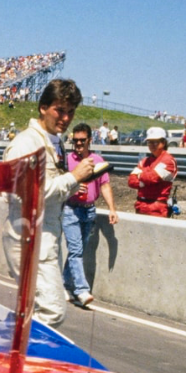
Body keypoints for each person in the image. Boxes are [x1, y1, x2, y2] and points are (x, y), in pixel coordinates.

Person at [2, 79, 96, 326]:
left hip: (45, 240)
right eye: (60, 110)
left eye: (71, 112)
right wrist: (73, 178)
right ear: (43, 107)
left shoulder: (54, 141)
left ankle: (13, 352)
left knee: (31, 312)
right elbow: (20, 194)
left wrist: (75, 183)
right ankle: (21, 358)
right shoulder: (26, 144)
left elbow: (51, 189)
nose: (66, 118)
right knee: (52, 310)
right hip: (28, 240)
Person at [62, 123, 117, 307]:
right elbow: (59, 183)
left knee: (77, 251)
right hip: (70, 208)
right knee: (76, 250)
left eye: (82, 140)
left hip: (89, 210)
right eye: (75, 140)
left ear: (89, 140)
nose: (78, 144)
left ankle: (64, 284)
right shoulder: (67, 160)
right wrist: (73, 186)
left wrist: (112, 208)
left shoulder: (97, 159)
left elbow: (104, 185)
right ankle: (81, 290)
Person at [128, 126, 177, 216]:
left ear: (163, 142)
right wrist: (142, 181)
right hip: (140, 206)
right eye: (149, 142)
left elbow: (151, 178)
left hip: (157, 208)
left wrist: (139, 175)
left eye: (155, 142)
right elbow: (131, 181)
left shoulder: (169, 161)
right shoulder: (145, 160)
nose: (152, 145)